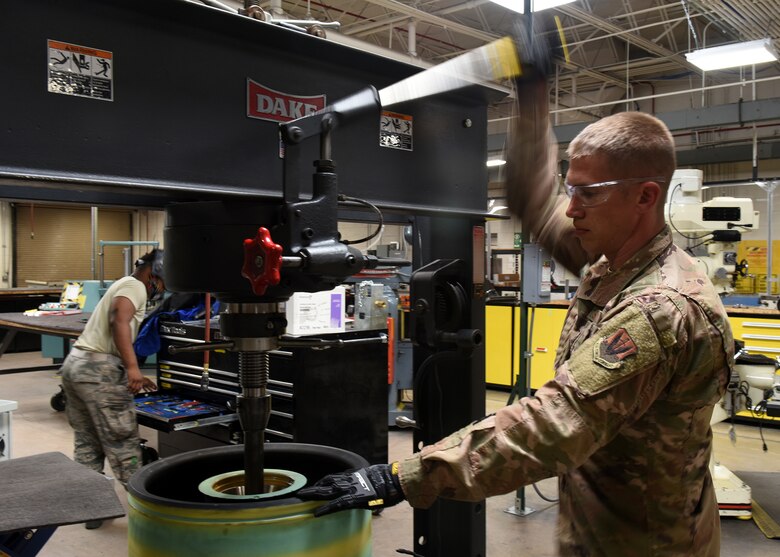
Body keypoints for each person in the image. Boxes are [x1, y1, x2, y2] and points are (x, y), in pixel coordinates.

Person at [298, 53, 733, 556]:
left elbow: (556, 422)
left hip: (647, 542)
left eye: (588, 194)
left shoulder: (660, 306)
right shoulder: (610, 263)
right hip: (602, 525)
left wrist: (403, 475)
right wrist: (533, 96)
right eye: (571, 189)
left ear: (645, 196)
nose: (571, 208)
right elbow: (533, 201)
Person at [60, 249, 163, 528]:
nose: (161, 289)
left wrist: (135, 372)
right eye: (163, 282)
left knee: (88, 442)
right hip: (99, 372)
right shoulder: (135, 286)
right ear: (155, 273)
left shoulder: (121, 282)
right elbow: (119, 319)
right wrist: (132, 368)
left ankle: (92, 510)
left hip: (77, 365)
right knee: (122, 443)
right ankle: (152, 516)